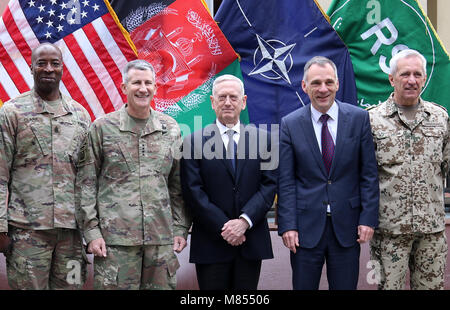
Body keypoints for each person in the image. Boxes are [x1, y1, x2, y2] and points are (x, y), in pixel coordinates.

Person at [75, 59, 191, 290]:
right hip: (114, 242)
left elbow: (177, 185)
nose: (143, 88)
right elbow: (86, 184)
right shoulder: (102, 128)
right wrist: (91, 232)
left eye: (148, 83)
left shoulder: (171, 128)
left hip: (160, 240)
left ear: (156, 88)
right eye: (136, 82)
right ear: (124, 87)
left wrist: (180, 228)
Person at [277, 56, 379, 290]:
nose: (323, 89)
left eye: (328, 82)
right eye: (315, 83)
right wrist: (288, 225)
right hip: (304, 230)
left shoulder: (359, 119)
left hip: (348, 227)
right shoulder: (290, 124)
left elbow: (369, 174)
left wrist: (367, 219)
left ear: (337, 84)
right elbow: (286, 180)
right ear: (304, 86)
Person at [0, 43, 91, 289]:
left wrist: (92, 229)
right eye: (41, 63)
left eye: (55, 63)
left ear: (63, 69)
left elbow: (87, 177)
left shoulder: (80, 115)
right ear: (31, 68)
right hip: (27, 232)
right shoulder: (12, 112)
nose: (48, 69)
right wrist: (0, 227)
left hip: (71, 233)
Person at [180, 74, 277, 290]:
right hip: (211, 243)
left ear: (243, 101)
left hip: (250, 241)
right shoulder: (192, 141)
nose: (227, 102)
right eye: (221, 97)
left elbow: (270, 185)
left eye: (233, 97)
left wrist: (243, 222)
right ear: (212, 103)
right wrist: (225, 228)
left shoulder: (265, 139)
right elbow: (193, 191)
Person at [368, 49, 449, 290]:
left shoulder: (440, 118)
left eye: (417, 74)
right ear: (392, 79)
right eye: (405, 74)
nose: (411, 80)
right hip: (388, 232)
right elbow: (363, 176)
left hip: (431, 233)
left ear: (424, 78)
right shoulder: (372, 120)